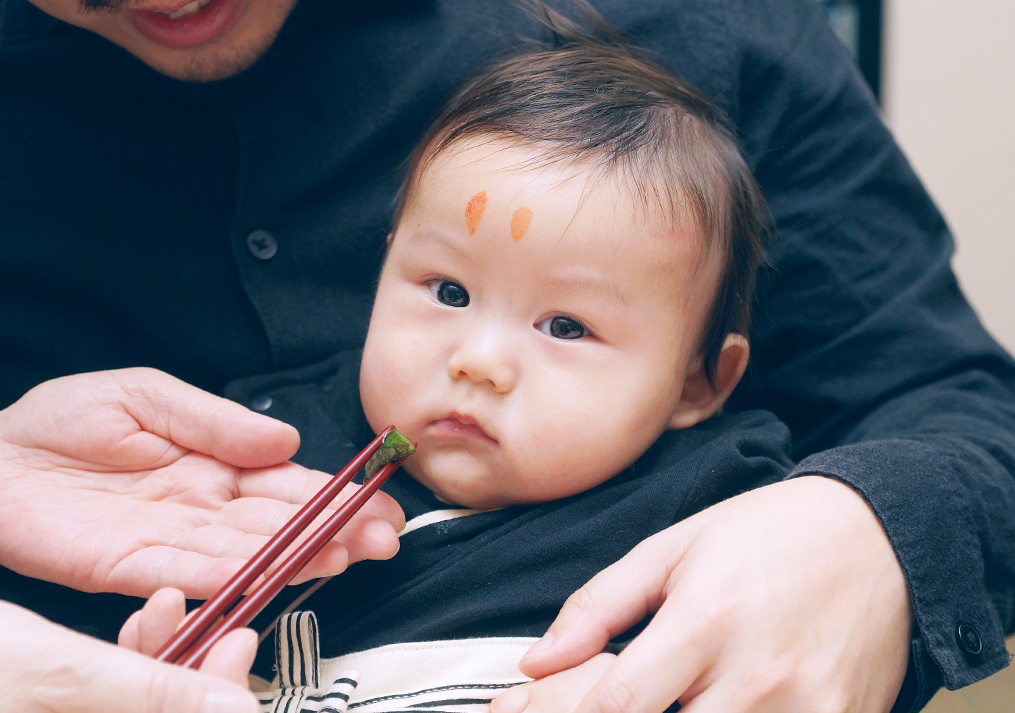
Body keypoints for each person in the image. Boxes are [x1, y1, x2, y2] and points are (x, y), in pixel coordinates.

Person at [1, 0, 1013, 711]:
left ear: (702, 380)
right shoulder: (264, 492)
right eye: (444, 292)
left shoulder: (723, 487)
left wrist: (870, 528)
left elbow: (954, 403)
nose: (479, 359)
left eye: (566, 327)